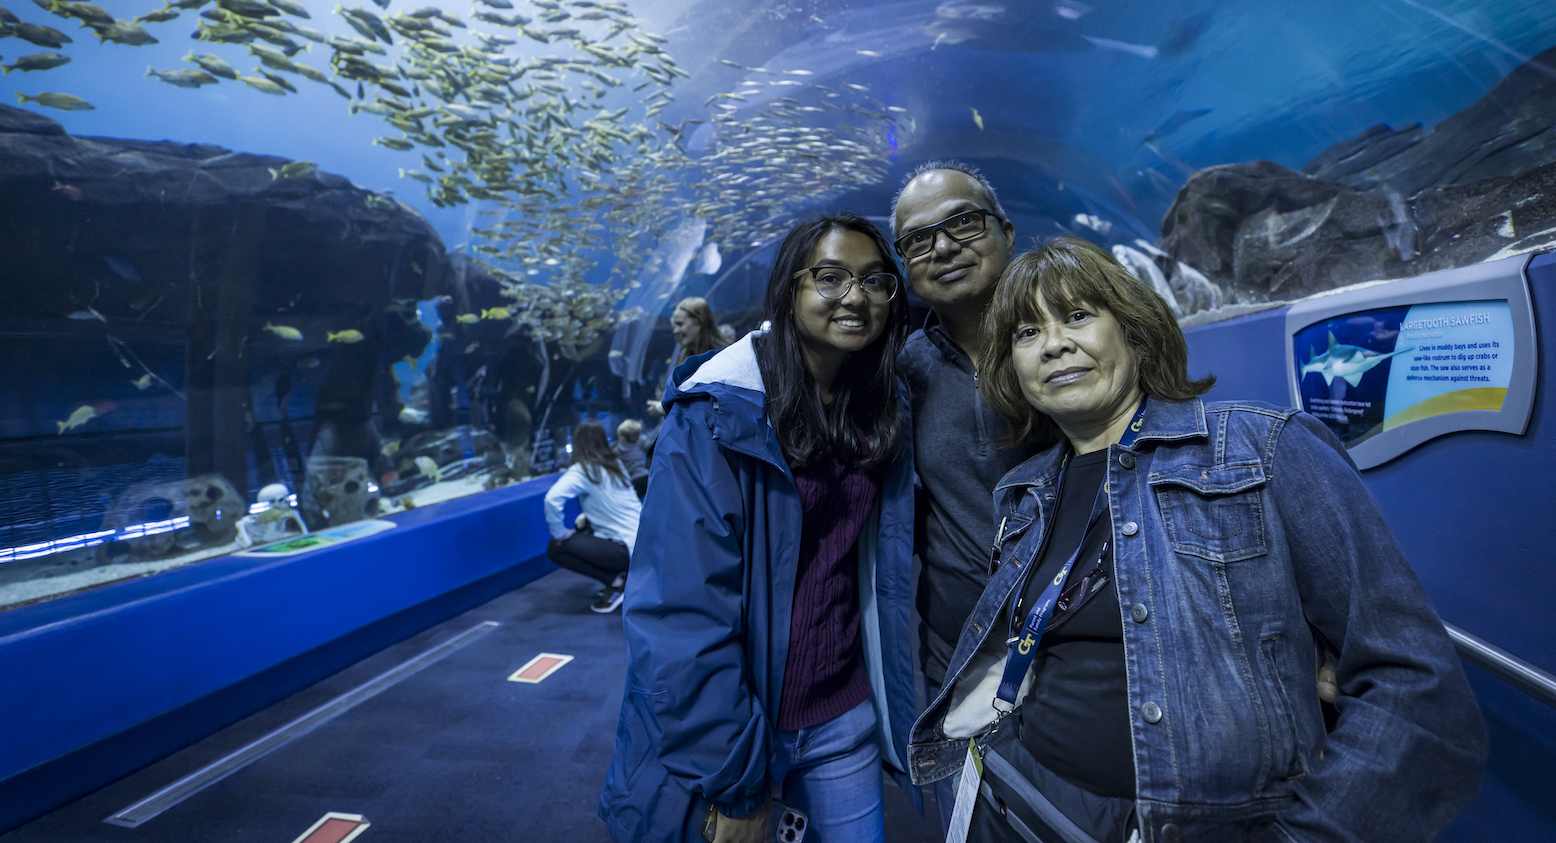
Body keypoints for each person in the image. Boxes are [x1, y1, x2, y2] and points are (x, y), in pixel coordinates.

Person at [908, 236, 1488, 843]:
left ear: (1133, 330)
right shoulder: (1024, 492)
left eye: (1078, 316)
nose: (1053, 344)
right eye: (1027, 334)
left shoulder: (1265, 449)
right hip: (1036, 802)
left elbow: (1416, 683)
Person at [600, 213, 921, 843]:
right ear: (788, 288)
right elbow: (676, 613)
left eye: (875, 280)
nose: (854, 296)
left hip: (842, 716)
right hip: (744, 727)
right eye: (829, 277)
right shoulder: (714, 417)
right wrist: (735, 778)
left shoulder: (881, 407)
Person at [890, 161, 1033, 831]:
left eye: (962, 223)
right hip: (958, 658)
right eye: (919, 239)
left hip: (1088, 649)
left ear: (1005, 230)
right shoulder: (903, 370)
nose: (942, 247)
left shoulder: (1074, 338)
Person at [544, 420, 643, 614]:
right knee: (582, 526)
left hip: (624, 547)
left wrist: (560, 533)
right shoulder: (615, 465)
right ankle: (625, 577)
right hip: (643, 543)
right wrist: (587, 517)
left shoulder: (583, 470)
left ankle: (616, 584)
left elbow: (552, 499)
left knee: (556, 547)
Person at [645, 297, 731, 418]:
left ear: (699, 322)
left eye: (680, 324)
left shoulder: (722, 358)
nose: (675, 331)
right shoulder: (685, 358)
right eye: (674, 325)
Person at [613, 418, 649, 498]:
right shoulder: (640, 445)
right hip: (646, 476)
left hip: (634, 480)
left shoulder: (619, 449)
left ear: (622, 437)